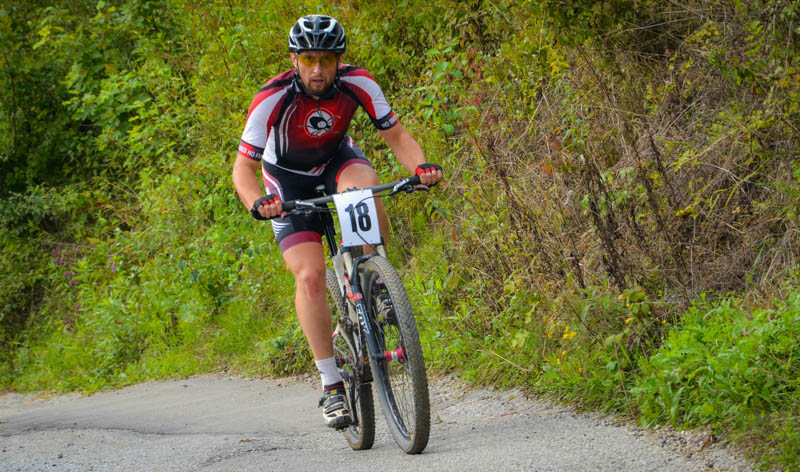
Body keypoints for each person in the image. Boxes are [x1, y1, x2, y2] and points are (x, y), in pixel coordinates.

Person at [231, 14, 442, 429]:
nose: (317, 69)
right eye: (309, 59)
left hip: (336, 162)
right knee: (310, 276)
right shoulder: (272, 97)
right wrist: (259, 202)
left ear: (338, 61)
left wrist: (421, 168)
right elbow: (243, 169)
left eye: (326, 60)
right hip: (287, 180)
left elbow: (397, 136)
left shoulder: (357, 83)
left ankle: (376, 282)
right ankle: (331, 384)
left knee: (364, 187)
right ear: (294, 59)